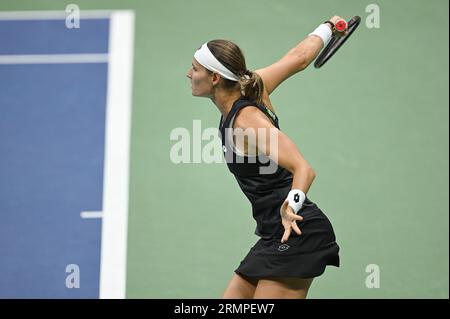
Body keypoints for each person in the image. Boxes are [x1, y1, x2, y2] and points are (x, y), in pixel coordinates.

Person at [186, 16, 345, 299]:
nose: (188, 73)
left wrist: (289, 206)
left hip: (296, 230)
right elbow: (299, 57)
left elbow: (304, 169)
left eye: (195, 69)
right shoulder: (251, 85)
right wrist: (328, 27)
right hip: (274, 233)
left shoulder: (247, 122)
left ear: (214, 77)